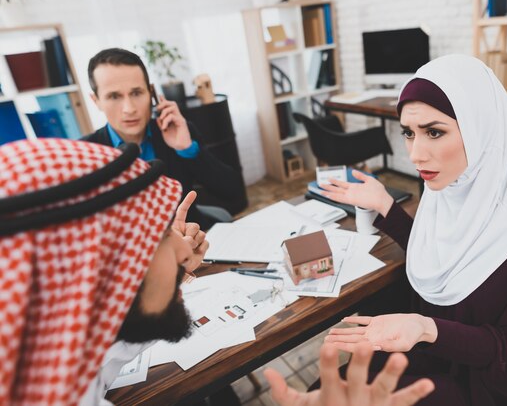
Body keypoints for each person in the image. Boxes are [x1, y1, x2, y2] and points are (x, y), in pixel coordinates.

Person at [0, 138, 433, 406]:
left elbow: (104, 350)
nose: (179, 244)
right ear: (92, 277)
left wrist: (169, 272)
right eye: (156, 238)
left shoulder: (62, 371)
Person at [319, 54, 507, 406]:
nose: (415, 154)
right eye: (408, 133)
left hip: (492, 385)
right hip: (436, 353)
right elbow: (449, 255)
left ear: (481, 127)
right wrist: (385, 206)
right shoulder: (450, 188)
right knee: (326, 391)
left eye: (434, 132)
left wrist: (429, 328)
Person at [82, 47, 244, 230]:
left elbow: (233, 192)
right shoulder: (86, 153)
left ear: (151, 93)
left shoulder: (177, 131)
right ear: (96, 101)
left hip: (191, 241)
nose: (129, 108)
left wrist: (187, 149)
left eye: (136, 93)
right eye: (113, 96)